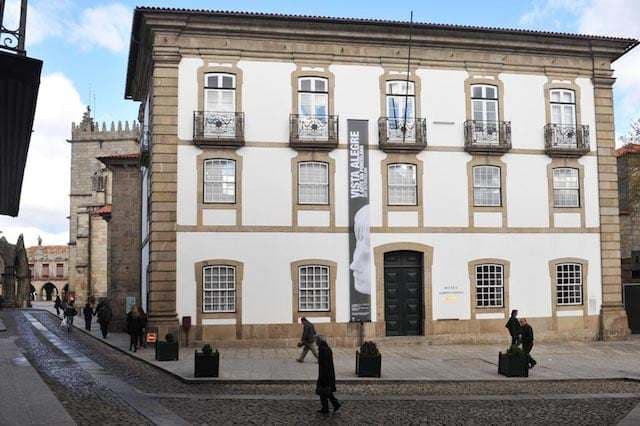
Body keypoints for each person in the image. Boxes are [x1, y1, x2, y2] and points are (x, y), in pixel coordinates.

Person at [315, 336, 341, 414]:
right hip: (326, 374)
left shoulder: (323, 350)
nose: (315, 342)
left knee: (324, 391)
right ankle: (326, 407)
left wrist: (323, 376)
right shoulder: (325, 348)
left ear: (319, 341)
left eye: (316, 341)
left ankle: (334, 404)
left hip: (325, 374)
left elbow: (325, 364)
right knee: (324, 391)